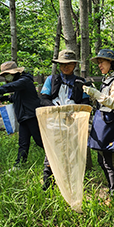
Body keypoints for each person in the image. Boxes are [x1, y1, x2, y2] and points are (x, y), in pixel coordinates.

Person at [40, 49, 90, 190]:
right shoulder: (51, 80)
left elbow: (86, 103)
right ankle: (48, 182)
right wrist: (56, 111)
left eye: (68, 64)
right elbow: (44, 99)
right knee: (51, 152)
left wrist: (74, 112)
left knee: (72, 152)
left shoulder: (81, 82)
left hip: (73, 123)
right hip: (54, 121)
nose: (65, 67)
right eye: (62, 64)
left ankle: (72, 183)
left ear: (74, 64)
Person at [83, 49, 114, 197]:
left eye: (102, 62)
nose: (99, 65)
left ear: (110, 62)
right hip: (102, 123)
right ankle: (113, 192)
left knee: (110, 162)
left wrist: (95, 93)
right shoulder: (108, 78)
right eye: (98, 63)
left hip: (111, 124)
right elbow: (104, 101)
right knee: (102, 159)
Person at [0, 61, 43, 167]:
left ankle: (56, 160)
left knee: (40, 142)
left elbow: (11, 86)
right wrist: (5, 98)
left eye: (6, 75)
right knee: (23, 143)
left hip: (31, 116)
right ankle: (19, 165)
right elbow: (18, 97)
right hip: (23, 117)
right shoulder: (20, 83)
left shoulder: (24, 81)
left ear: (13, 73)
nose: (5, 77)